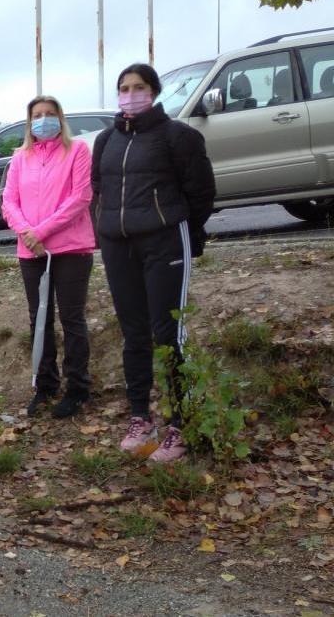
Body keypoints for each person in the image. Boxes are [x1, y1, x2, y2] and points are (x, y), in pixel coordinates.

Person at [92, 63, 216, 463]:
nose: (131, 94)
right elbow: (99, 189)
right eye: (124, 88)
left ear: (154, 91)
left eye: (139, 87)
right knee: (134, 331)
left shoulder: (178, 137)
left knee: (168, 331)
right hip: (117, 245)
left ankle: (182, 423)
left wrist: (184, 231)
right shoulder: (106, 140)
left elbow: (201, 193)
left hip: (164, 242)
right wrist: (105, 225)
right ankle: (140, 417)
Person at [0, 96, 95, 419]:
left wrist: (40, 233)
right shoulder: (20, 157)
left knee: (72, 318)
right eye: (37, 116)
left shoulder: (77, 151)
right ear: (30, 123)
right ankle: (45, 384)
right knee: (38, 317)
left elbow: (80, 197)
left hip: (69, 248)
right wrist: (27, 232)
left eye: (50, 114)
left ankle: (78, 388)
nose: (44, 120)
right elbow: (9, 201)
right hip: (31, 251)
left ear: (60, 118)